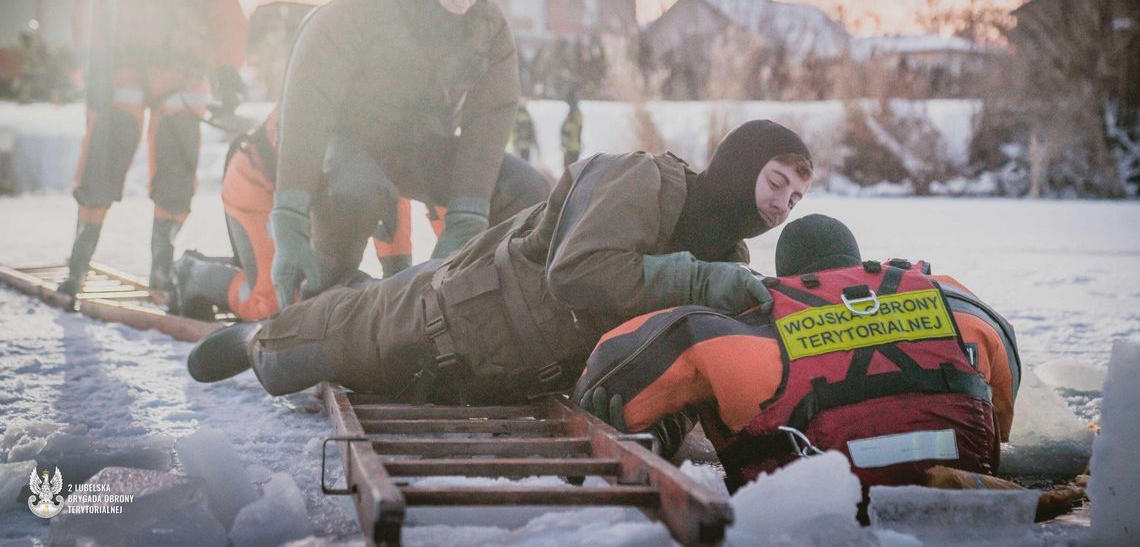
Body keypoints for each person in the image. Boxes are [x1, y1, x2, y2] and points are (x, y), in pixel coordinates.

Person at [187, 120, 814, 405]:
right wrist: (701, 281)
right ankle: (250, 336)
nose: (782, 203)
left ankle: (326, 301)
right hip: (449, 321)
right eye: (776, 180)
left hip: (512, 378)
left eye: (795, 196)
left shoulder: (725, 256)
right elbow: (579, 274)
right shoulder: (645, 181)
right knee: (309, 348)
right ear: (738, 165)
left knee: (357, 317)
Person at [574, 214, 1021, 493]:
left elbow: (608, 374)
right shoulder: (953, 300)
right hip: (965, 476)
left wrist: (673, 415)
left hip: (816, 509)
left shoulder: (747, 329)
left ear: (785, 276)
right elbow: (1004, 390)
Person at [267, 0, 549, 308]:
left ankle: (475, 301)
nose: (463, 2)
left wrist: (468, 214)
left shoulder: (486, 28)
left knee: (525, 189)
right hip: (349, 144)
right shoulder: (365, 11)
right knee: (360, 193)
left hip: (416, 147)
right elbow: (309, 103)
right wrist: (289, 214)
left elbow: (491, 115)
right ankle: (322, 297)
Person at [59, 0, 247, 295]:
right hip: (122, 74)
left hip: (183, 79)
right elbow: (92, 5)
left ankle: (161, 268)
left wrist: (228, 72)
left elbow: (227, 18)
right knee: (101, 166)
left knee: (177, 176)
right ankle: (78, 265)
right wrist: (95, 66)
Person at [170, 107, 445, 321]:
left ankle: (253, 267)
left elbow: (387, 195)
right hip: (257, 183)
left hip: (314, 191)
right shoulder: (334, 103)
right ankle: (191, 273)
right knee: (272, 304)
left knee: (310, 290)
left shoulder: (395, 117)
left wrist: (399, 286)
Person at [560, 91, 582, 168]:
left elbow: (576, 127)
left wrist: (565, 128)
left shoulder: (575, 113)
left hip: (573, 148)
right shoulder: (572, 112)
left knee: (570, 170)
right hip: (570, 147)